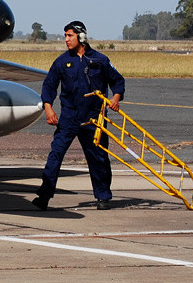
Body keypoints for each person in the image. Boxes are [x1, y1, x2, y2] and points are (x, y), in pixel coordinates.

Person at [32, 20, 125, 211]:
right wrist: (48, 108)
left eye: (70, 35)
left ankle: (103, 197)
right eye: (65, 35)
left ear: (81, 36)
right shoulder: (61, 61)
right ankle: (44, 195)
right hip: (69, 117)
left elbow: (117, 81)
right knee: (55, 155)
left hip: (94, 118)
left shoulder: (100, 60)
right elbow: (49, 85)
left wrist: (115, 98)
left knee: (98, 157)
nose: (66, 39)